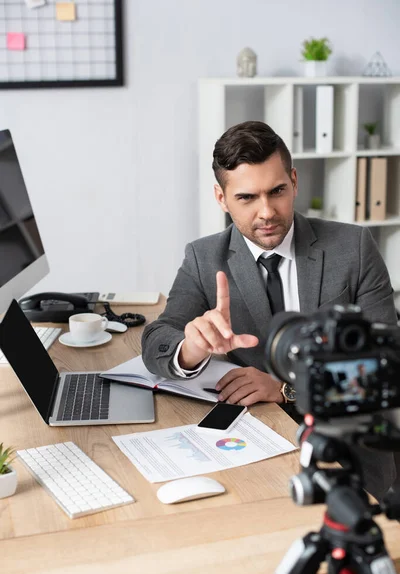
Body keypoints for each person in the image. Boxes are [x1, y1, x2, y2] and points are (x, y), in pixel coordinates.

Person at [142, 120, 398, 500]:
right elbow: (156, 342)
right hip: (252, 438)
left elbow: (386, 367)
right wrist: (192, 347)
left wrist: (284, 389)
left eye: (277, 191)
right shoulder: (203, 257)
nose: (266, 212)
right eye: (246, 198)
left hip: (346, 450)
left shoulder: (353, 247)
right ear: (221, 198)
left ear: (294, 181)